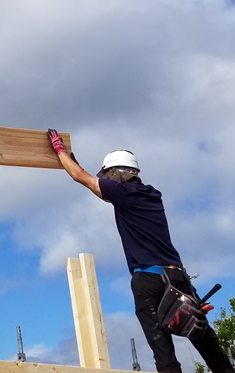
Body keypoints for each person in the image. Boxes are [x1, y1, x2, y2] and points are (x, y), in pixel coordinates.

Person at [47, 129, 234, 373]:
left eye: (108, 175)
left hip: (149, 282)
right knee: (205, 341)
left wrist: (60, 151)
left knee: (163, 352)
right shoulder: (151, 194)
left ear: (116, 174)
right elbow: (99, 190)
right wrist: (77, 164)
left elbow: (80, 178)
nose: (106, 180)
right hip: (178, 278)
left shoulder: (122, 194)